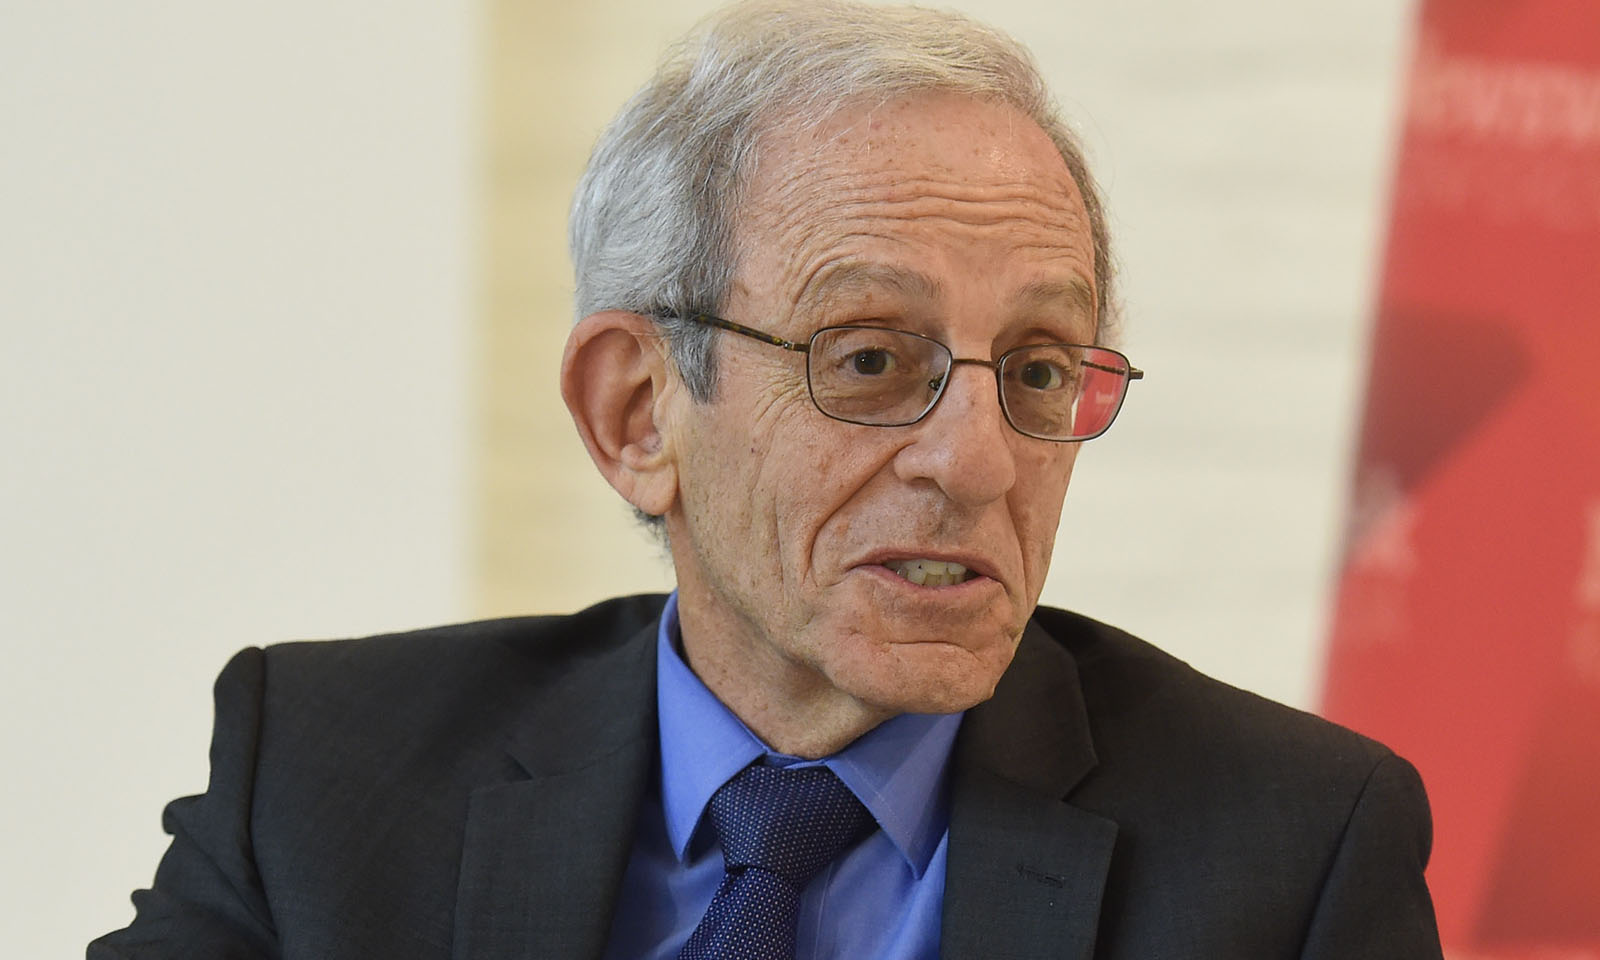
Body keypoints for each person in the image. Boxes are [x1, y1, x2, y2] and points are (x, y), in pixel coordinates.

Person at [91, 1, 1444, 957]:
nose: (979, 460)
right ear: (638, 414)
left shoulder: (1290, 856)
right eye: (871, 359)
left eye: (1038, 371)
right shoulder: (323, 782)